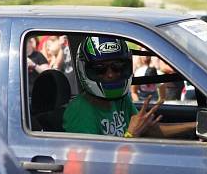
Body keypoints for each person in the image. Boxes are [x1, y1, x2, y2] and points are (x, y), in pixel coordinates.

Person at [63, 36, 194, 138]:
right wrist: (130, 135)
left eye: (117, 67)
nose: (110, 74)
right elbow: (94, 163)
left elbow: (147, 130)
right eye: (100, 69)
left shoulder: (120, 99)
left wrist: (196, 126)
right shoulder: (80, 111)